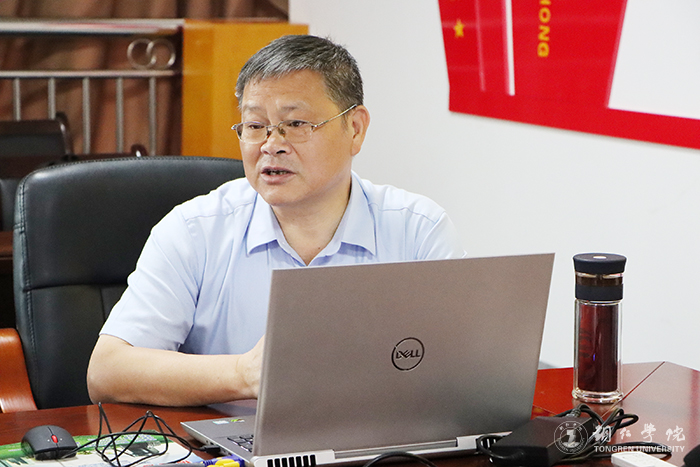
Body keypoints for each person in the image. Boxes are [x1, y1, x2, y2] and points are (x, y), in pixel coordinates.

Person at [86, 34, 465, 407]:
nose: (271, 145)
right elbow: (107, 371)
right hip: (230, 440)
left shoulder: (417, 229)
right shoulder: (194, 230)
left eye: (295, 123)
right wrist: (244, 374)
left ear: (355, 128)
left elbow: (464, 369)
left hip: (379, 438)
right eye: (255, 126)